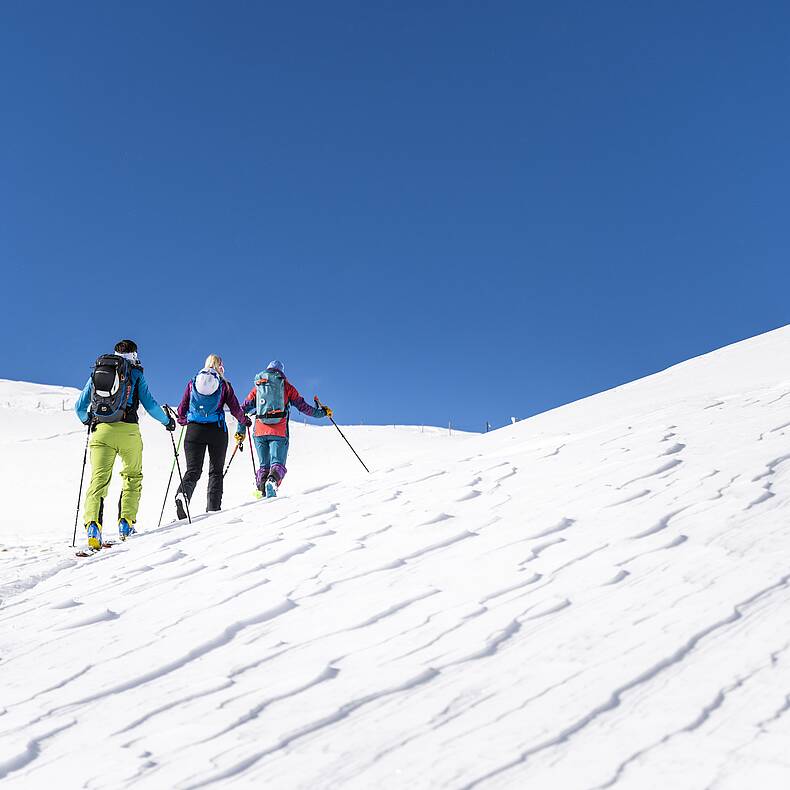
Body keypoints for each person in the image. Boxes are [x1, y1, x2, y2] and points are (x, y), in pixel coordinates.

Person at [75, 339, 175, 549]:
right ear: (134, 355)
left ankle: (93, 525)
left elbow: (79, 406)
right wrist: (167, 422)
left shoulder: (100, 371)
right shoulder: (136, 374)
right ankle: (125, 523)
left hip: (101, 431)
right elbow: (150, 405)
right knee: (132, 475)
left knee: (98, 480)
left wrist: (89, 421)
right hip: (129, 432)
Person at [237, 360, 332, 497]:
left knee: (264, 466)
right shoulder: (286, 386)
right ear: (281, 372)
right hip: (279, 431)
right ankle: (272, 481)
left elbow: (242, 409)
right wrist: (322, 413)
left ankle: (262, 491)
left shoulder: (258, 386)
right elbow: (304, 408)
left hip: (259, 431)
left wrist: (240, 432)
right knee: (277, 464)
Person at [173, 354, 251, 519]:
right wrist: (245, 421)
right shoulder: (224, 385)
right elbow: (236, 409)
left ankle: (183, 495)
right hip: (217, 431)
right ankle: (213, 510)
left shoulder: (193, 382)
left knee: (193, 470)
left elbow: (182, 409)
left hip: (194, 430)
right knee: (215, 472)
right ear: (220, 367)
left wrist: (182, 420)